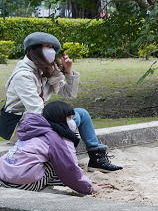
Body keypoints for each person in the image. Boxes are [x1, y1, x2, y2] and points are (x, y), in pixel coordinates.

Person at [1, 32, 122, 171]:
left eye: (53, 47)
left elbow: (69, 93)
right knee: (68, 121)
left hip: (38, 118)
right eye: (47, 46)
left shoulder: (46, 70)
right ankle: (61, 166)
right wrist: (64, 123)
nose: (51, 51)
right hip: (21, 125)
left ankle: (96, 158)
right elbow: (36, 110)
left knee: (81, 114)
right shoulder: (23, 75)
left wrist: (68, 72)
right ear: (35, 50)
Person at [0, 101, 95, 194]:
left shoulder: (34, 129)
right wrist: (88, 188)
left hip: (4, 178)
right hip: (22, 184)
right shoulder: (59, 140)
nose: (72, 121)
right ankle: (42, 189)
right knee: (61, 161)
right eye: (69, 118)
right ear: (60, 118)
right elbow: (70, 169)